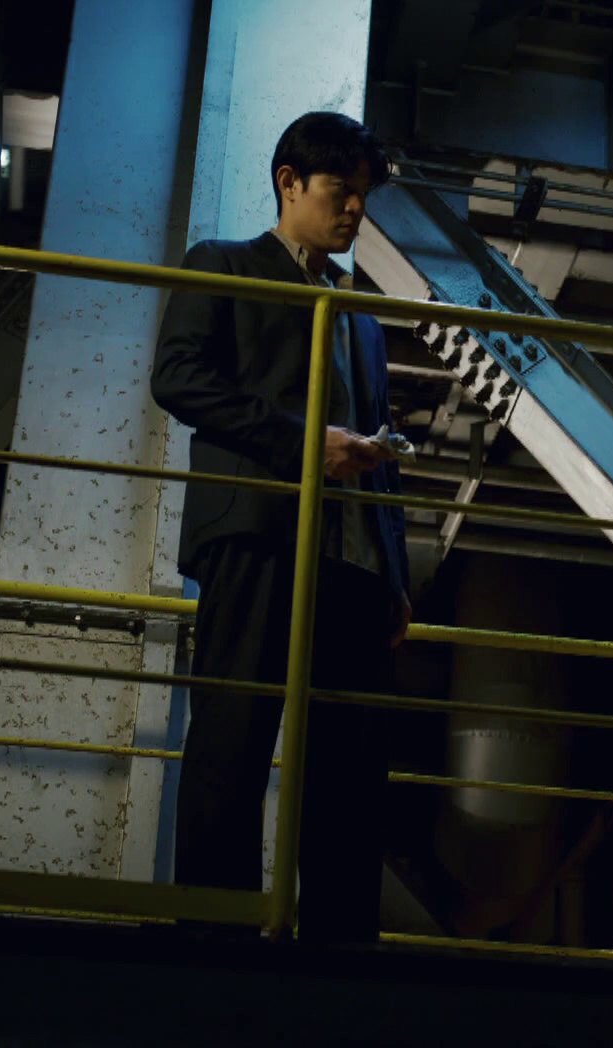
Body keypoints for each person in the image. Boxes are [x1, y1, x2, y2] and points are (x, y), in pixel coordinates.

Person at [150, 111, 411, 944]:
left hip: (356, 567)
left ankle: (339, 954)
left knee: (350, 772)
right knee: (232, 741)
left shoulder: (360, 315)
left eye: (363, 195)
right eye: (341, 191)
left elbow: (380, 446)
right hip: (258, 538)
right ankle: (216, 946)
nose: (355, 210)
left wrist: (396, 576)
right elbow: (177, 377)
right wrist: (305, 444)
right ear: (288, 182)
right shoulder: (224, 264)